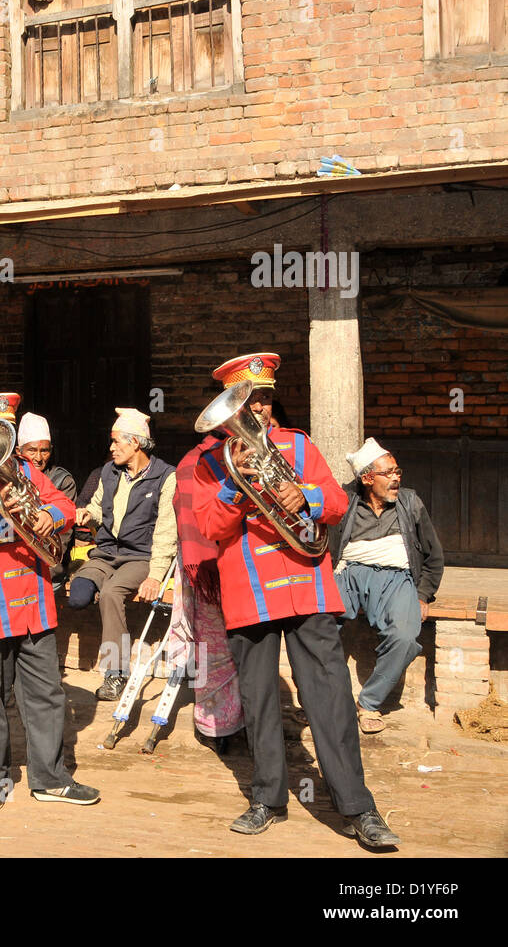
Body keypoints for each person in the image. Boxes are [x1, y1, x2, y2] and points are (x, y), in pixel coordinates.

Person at [194, 353, 400, 849]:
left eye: (263, 399)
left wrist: (303, 496)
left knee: (330, 699)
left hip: (307, 584)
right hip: (249, 591)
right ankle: (268, 798)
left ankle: (358, 807)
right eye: (247, 401)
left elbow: (337, 502)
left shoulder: (299, 445)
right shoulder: (209, 462)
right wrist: (236, 489)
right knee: (260, 701)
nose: (259, 409)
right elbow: (207, 528)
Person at [0, 393, 99, 811]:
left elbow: (64, 502)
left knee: (47, 695)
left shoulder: (26, 470)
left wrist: (53, 515)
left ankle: (50, 778)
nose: (3, 451)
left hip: (34, 602)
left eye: (6, 436)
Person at [332, 437, 444, 734]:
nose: (396, 478)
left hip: (396, 578)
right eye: (389, 473)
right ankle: (325, 701)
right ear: (367, 478)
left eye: (398, 472)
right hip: (349, 574)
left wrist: (423, 594)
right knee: (318, 627)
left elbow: (434, 555)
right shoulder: (345, 501)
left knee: (405, 637)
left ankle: (369, 702)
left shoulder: (410, 502)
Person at [68, 408, 178, 701]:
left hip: (140, 556)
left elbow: (167, 533)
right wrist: (86, 516)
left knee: (112, 593)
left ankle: (115, 673)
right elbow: (96, 507)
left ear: (136, 443)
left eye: (117, 442)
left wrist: (156, 575)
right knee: (78, 595)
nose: (111, 447)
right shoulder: (109, 472)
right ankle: (112, 626)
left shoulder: (165, 477)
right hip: (106, 553)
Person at [168, 425, 245, 753]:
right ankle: (218, 727)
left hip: (221, 567)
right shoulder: (200, 464)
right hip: (213, 569)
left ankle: (227, 724)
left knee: (224, 648)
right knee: (218, 649)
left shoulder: (193, 461)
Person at [16, 412, 79, 584]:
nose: (38, 458)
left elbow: (63, 536)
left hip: (49, 562)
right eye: (32, 450)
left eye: (44, 451)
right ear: (18, 451)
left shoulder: (63, 480)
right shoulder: (12, 478)